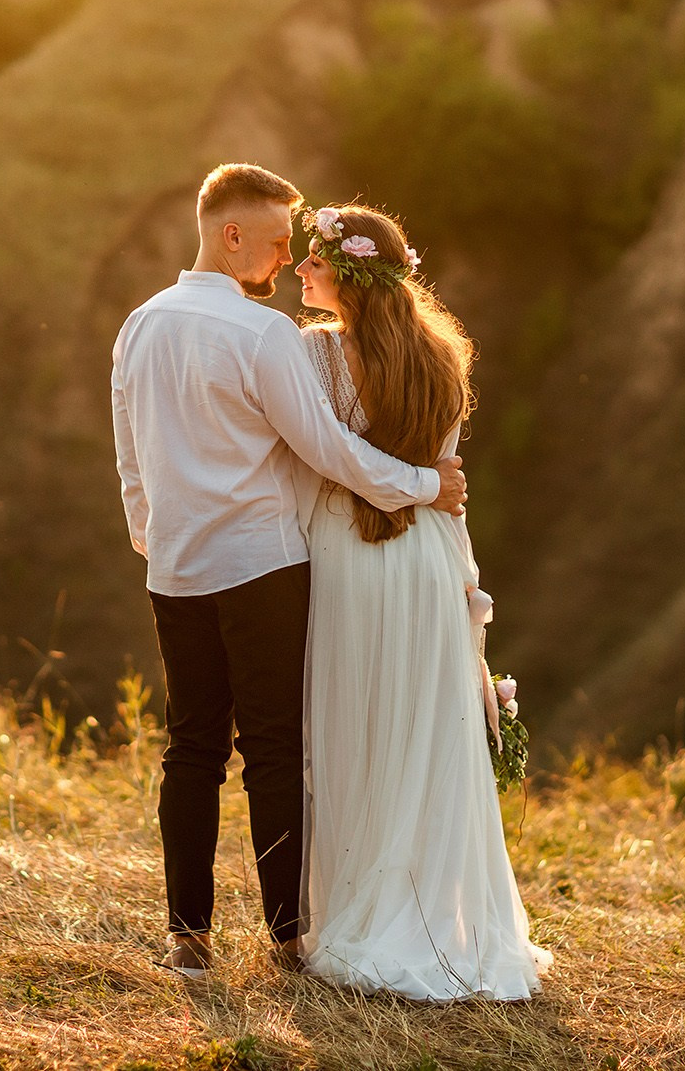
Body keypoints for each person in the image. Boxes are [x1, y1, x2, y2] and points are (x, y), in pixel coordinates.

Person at [110, 164, 469, 977]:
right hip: (265, 565)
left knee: (190, 750)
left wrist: (155, 536)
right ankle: (287, 940)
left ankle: (189, 939)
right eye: (276, 243)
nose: (282, 261)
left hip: (176, 568)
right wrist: (423, 485)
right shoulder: (261, 333)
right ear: (231, 235)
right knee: (273, 748)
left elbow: (129, 454)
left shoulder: (140, 323)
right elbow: (330, 451)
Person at [293, 202, 551, 1001]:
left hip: (348, 553)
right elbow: (449, 485)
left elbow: (322, 461)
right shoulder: (443, 355)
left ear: (349, 276)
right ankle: (438, 917)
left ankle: (353, 908)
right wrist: (468, 592)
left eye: (314, 260)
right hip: (427, 558)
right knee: (423, 733)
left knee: (354, 727)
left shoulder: (314, 355)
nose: (302, 271)